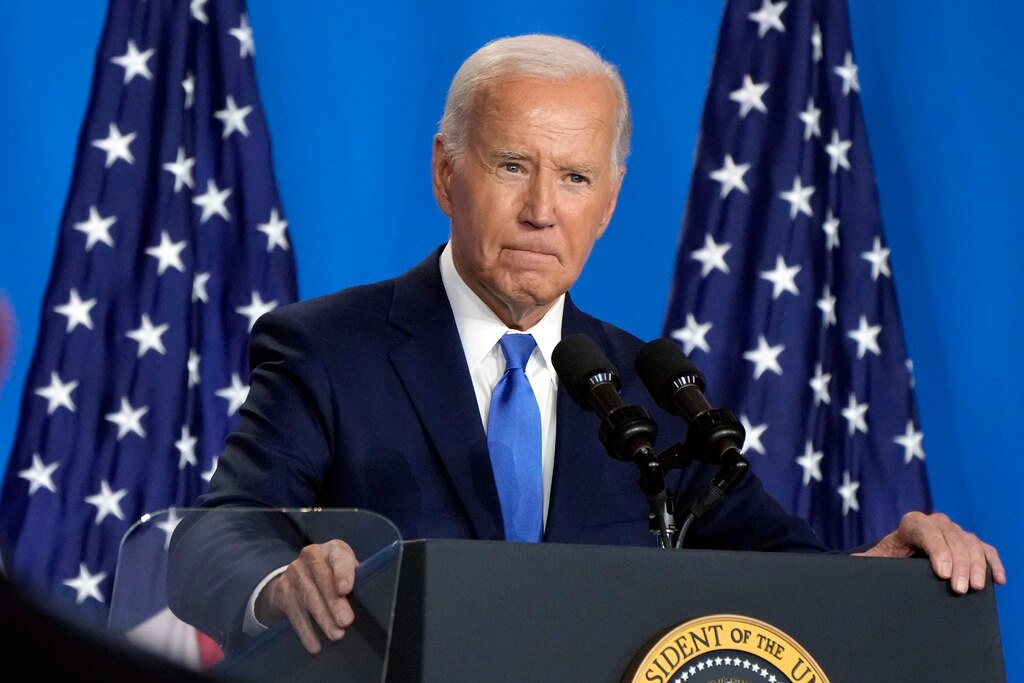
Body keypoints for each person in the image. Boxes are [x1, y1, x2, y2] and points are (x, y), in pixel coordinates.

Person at [168, 34, 1004, 656]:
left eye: (574, 178)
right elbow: (217, 533)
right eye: (510, 166)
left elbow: (781, 573)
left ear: (608, 203)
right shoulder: (327, 349)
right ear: (445, 172)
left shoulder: (650, 388)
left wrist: (885, 567)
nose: (542, 209)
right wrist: (282, 584)